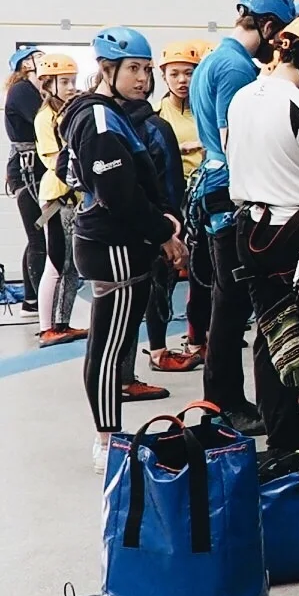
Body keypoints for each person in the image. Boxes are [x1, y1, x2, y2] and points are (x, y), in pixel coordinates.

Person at [57, 29, 188, 468]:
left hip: (111, 237)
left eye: (147, 70)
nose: (143, 79)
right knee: (111, 346)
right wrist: (162, 233)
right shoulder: (97, 119)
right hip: (112, 242)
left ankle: (107, 434)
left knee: (110, 341)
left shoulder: (101, 114)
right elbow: (119, 193)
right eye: (134, 68)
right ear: (107, 70)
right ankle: (106, 441)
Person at [226, 14, 299, 477]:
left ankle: (283, 442)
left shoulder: (240, 98)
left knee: (270, 335)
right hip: (296, 231)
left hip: (248, 229)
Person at [189, 0, 297, 435]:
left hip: (213, 190)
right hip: (230, 194)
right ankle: (226, 400)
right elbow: (237, 140)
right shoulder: (235, 68)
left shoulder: (213, 59)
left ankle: (225, 397)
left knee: (227, 304)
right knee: (234, 307)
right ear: (269, 26)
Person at [118, 74, 184, 403]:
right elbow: (171, 182)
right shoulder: (154, 127)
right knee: (152, 292)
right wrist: (172, 227)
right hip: (148, 227)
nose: (141, 79)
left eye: (145, 71)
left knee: (119, 308)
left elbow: (69, 169)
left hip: (112, 230)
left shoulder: (97, 122)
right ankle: (142, 364)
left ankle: (121, 376)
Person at [150, 41, 210, 371]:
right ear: (164, 76)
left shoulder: (205, 110)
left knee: (201, 273)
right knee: (164, 276)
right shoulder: (157, 117)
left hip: (201, 200)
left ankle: (197, 338)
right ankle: (158, 348)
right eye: (174, 74)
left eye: (188, 73)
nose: (181, 80)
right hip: (172, 202)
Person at [30, 53, 87, 346]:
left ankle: (62, 322)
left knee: (71, 265)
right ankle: (46, 327)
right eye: (64, 81)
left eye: (72, 81)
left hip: (72, 195)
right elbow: (55, 160)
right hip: (57, 196)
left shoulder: (69, 112)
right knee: (55, 262)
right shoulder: (45, 118)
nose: (70, 86)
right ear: (47, 85)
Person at [6, 46, 46, 320]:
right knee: (38, 237)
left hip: (34, 167)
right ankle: (32, 301)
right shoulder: (22, 91)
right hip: (27, 169)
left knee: (37, 237)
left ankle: (32, 298)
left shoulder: (34, 91)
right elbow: (43, 120)